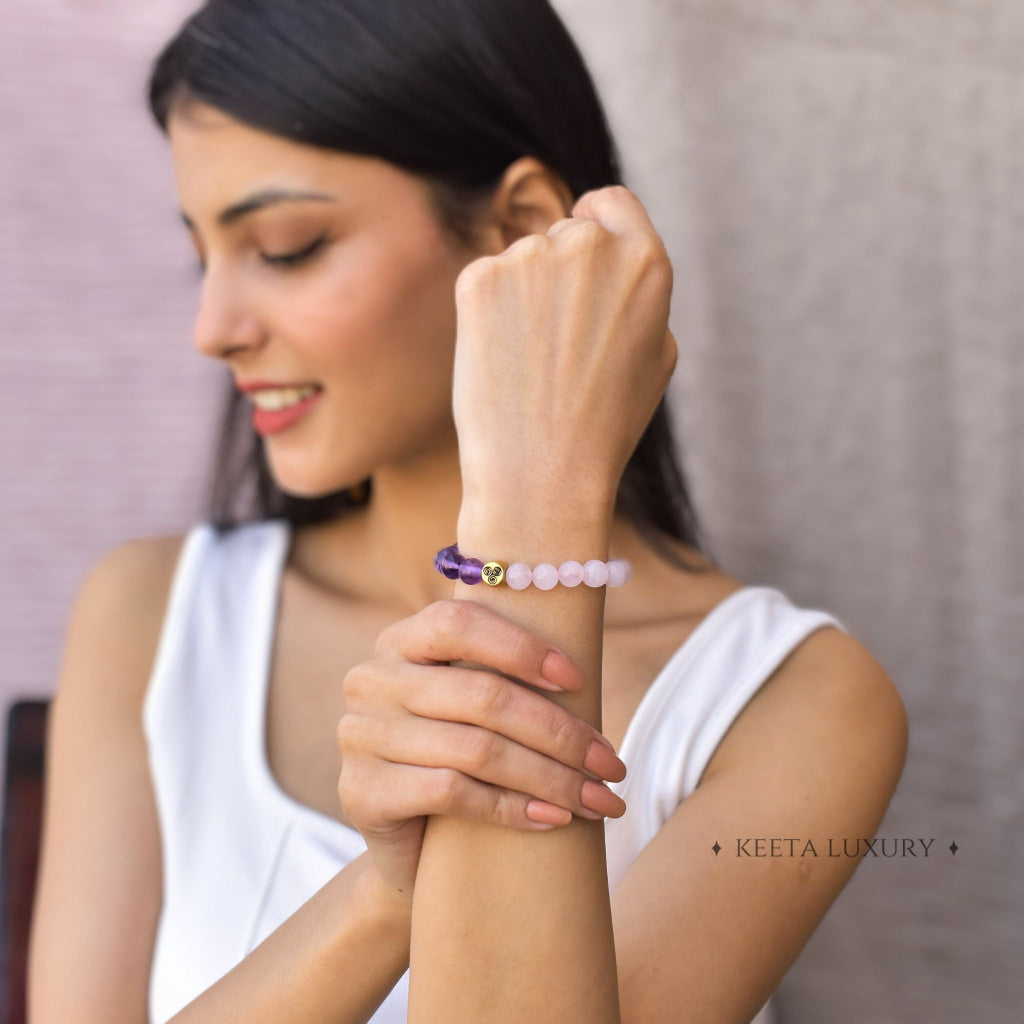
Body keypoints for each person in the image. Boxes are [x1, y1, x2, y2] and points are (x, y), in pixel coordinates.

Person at [26, 2, 909, 1022]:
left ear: (523, 227)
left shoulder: (793, 703)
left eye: (287, 245)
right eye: (202, 254)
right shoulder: (152, 616)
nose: (212, 329)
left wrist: (536, 508)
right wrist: (381, 895)